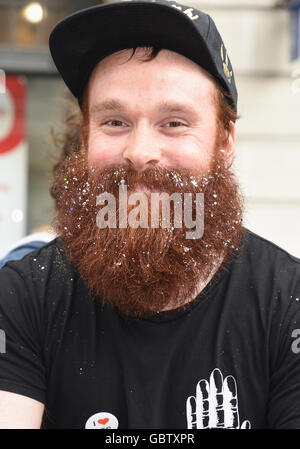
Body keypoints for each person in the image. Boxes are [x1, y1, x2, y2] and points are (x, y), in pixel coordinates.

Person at [0, 0, 300, 429]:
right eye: (115, 122)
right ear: (85, 137)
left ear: (225, 141)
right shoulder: (21, 298)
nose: (139, 153)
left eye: (174, 122)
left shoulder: (287, 306)